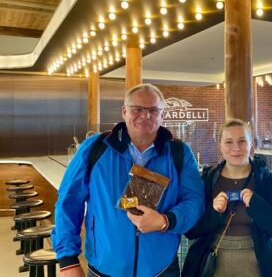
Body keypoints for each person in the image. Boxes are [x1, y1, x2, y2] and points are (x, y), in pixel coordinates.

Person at [52, 83, 205, 277]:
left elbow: (195, 202)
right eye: (137, 109)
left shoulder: (179, 153)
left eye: (153, 110)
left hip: (162, 270)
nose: (145, 115)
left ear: (162, 115)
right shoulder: (95, 148)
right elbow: (68, 201)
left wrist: (165, 221)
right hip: (104, 270)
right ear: (124, 111)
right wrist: (68, 260)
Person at [182, 119, 272, 277]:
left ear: (251, 143)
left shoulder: (265, 179)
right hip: (215, 258)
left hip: (258, 259)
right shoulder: (209, 179)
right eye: (229, 142)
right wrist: (213, 211)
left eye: (242, 141)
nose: (236, 148)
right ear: (220, 145)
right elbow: (191, 232)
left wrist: (257, 205)